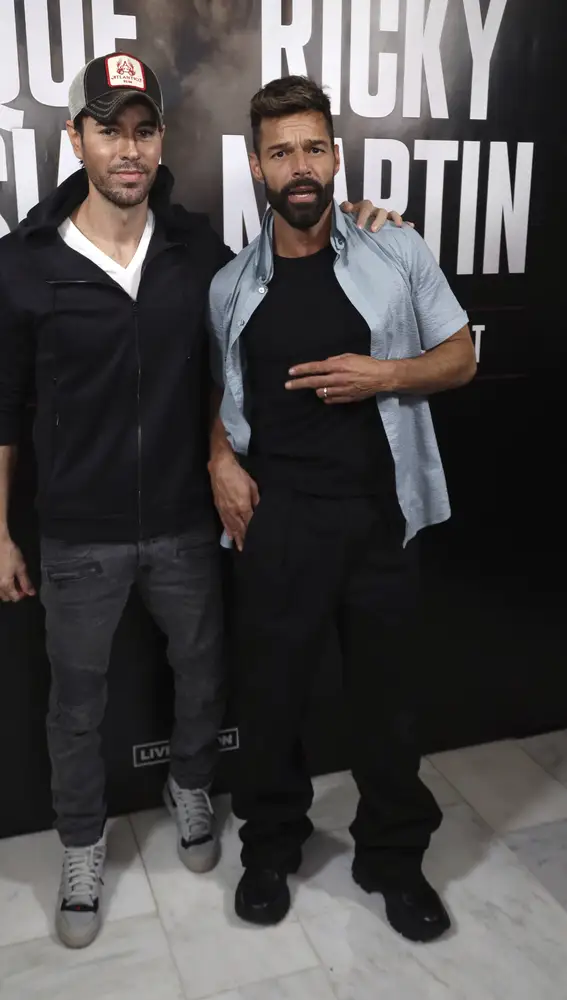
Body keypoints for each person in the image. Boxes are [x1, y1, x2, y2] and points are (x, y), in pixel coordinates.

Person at [0, 54, 395, 949]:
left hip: (187, 523)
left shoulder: (201, 255)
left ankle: (188, 786)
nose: (127, 149)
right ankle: (79, 845)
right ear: (78, 139)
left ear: (160, 139)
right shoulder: (22, 265)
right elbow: (5, 409)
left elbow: (237, 365)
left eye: (142, 129)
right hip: (76, 534)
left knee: (205, 680)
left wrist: (369, 229)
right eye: (109, 129)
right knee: (76, 704)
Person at [208, 75, 477, 944]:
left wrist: (384, 376)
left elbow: (461, 355)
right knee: (272, 700)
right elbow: (219, 390)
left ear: (334, 157)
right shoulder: (227, 286)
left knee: (388, 707)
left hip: (379, 521)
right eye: (280, 150)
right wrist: (218, 457)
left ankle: (393, 860)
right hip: (278, 523)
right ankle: (269, 846)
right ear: (256, 165)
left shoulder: (393, 252)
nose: (299, 166)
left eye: (313, 147)